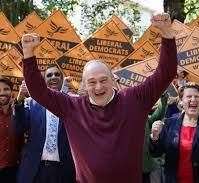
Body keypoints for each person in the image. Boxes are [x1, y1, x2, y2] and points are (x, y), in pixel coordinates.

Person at [21, 13, 177, 183]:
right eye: (92, 82)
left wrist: (167, 34)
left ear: (113, 80)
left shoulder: (135, 99)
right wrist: (29, 54)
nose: (98, 87)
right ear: (84, 85)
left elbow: (166, 73)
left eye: (103, 80)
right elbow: (38, 91)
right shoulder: (71, 106)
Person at [14, 66, 76, 183]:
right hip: (35, 169)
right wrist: (20, 98)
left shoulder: (72, 103)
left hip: (63, 170)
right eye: (49, 75)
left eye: (57, 74)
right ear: (43, 81)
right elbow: (18, 127)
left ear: (62, 80)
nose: (53, 77)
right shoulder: (31, 103)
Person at [0, 77, 23, 183]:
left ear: (11, 92)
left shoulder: (19, 113)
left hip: (13, 170)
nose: (2, 93)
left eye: (6, 89)